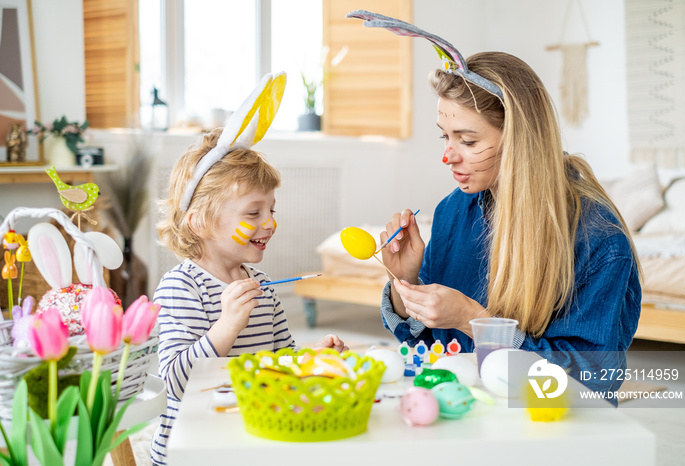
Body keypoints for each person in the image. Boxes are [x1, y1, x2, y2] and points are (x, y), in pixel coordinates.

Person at [350, 12, 641, 402]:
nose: (448, 156)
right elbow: (432, 345)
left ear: (520, 138)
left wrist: (476, 321)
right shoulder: (456, 210)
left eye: (467, 141)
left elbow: (589, 380)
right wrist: (406, 283)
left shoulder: (597, 239)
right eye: (445, 137)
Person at [150, 73, 347, 465]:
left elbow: (281, 358)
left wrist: (312, 359)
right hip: (193, 450)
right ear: (200, 222)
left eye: (271, 210)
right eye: (253, 212)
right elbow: (173, 381)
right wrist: (226, 327)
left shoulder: (260, 285)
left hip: (245, 439)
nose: (269, 222)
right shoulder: (181, 288)